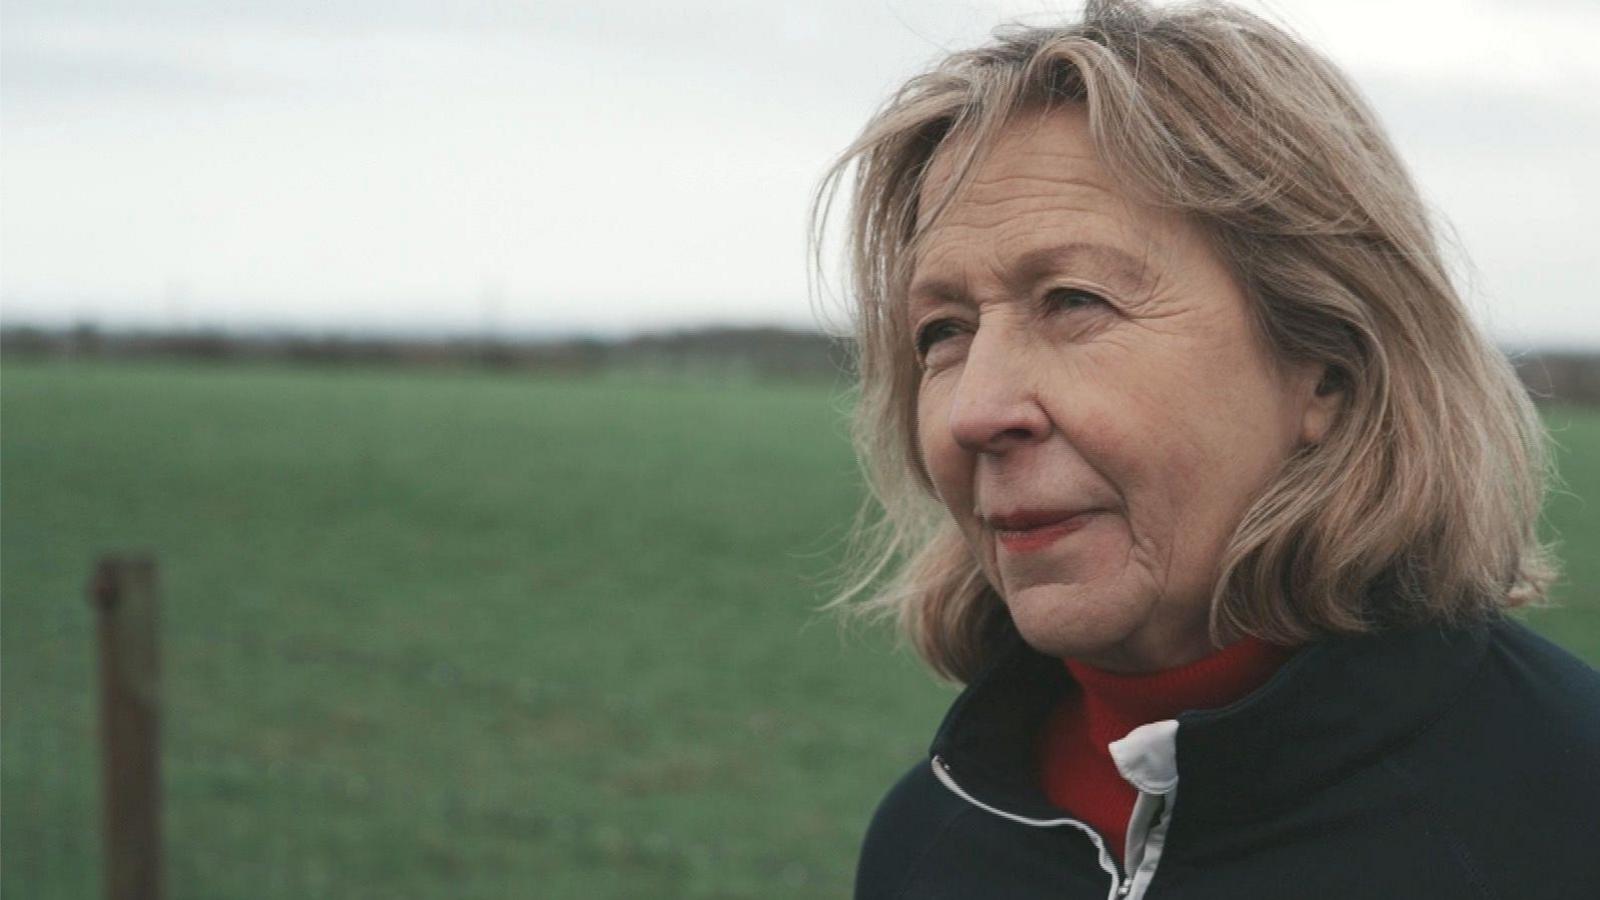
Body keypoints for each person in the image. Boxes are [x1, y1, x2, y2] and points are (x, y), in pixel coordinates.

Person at [812, 1, 1600, 897]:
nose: (976, 411)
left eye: (1074, 301)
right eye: (942, 331)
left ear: (1326, 370)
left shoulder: (1565, 823)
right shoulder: (936, 838)